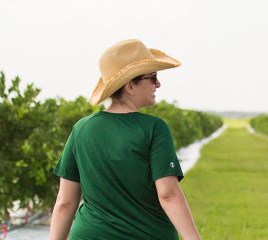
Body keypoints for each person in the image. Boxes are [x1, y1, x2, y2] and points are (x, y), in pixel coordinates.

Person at [48, 39, 201, 240]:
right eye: (153, 77)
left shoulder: (81, 129)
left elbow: (65, 203)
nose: (158, 84)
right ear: (130, 85)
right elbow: (168, 194)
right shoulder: (154, 129)